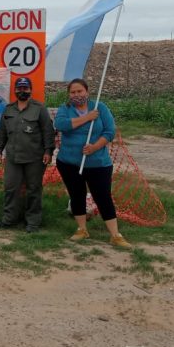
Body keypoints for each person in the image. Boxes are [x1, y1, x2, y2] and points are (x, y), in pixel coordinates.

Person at [54, 78, 132, 248]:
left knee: (103, 197)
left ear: (87, 92)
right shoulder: (65, 109)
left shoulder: (100, 107)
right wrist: (87, 118)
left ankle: (115, 235)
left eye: (79, 91)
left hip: (98, 163)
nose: (76, 95)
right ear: (69, 94)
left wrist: (95, 147)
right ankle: (82, 229)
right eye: (73, 92)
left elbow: (109, 131)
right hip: (69, 162)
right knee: (77, 195)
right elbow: (60, 124)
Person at [0, 76, 55, 233]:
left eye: (25, 88)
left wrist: (48, 151)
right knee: (11, 188)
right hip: (13, 158)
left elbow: (48, 131)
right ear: (15, 90)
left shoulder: (39, 109)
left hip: (35, 157)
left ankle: (33, 222)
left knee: (34, 189)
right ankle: (9, 220)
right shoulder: (8, 110)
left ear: (30, 90)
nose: (22, 91)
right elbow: (2, 132)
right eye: (19, 88)